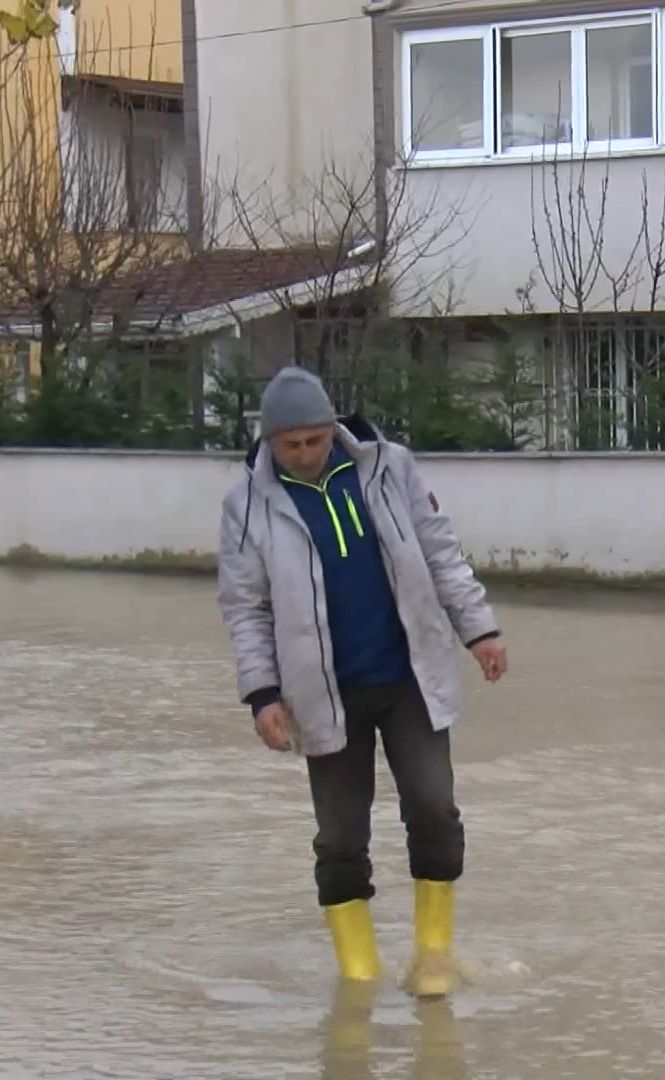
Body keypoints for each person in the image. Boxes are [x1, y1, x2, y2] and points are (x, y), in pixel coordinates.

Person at [217, 366, 507, 998]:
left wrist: (478, 630)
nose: (304, 455)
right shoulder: (246, 503)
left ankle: (433, 957)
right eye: (289, 446)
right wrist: (262, 694)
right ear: (268, 443)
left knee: (434, 809)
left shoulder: (387, 467)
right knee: (341, 838)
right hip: (323, 695)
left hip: (408, 678)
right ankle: (358, 977)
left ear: (332, 428)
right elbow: (245, 606)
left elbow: (440, 552)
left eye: (314, 441)